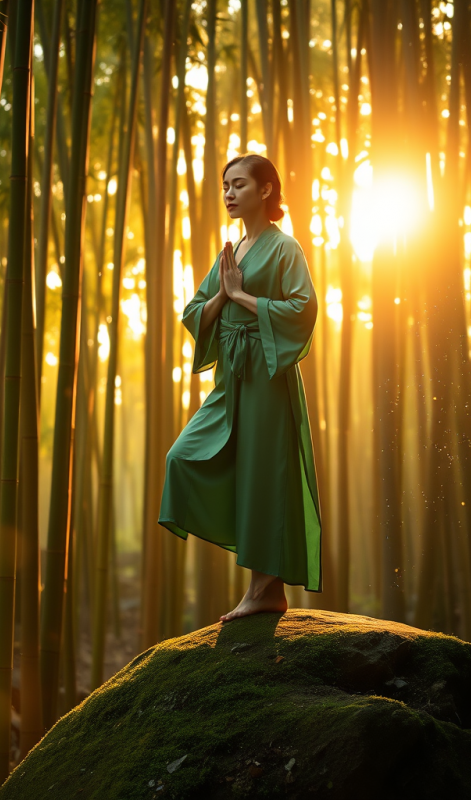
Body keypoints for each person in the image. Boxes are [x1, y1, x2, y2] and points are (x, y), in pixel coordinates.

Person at [158, 152, 322, 622]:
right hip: (230, 376)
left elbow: (302, 309)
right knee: (182, 456)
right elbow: (195, 312)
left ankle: (265, 589)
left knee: (263, 477)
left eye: (239, 185)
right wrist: (222, 295)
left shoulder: (285, 248)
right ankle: (260, 587)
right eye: (225, 186)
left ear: (266, 190)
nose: (229, 194)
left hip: (268, 376)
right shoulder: (231, 251)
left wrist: (241, 296)